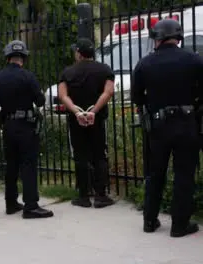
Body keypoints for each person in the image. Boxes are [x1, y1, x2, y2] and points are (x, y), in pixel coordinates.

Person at [131, 18, 203, 238]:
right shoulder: (194, 60)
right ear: (178, 37)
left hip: (158, 126)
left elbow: (136, 97)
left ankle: (150, 221)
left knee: (155, 173)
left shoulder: (144, 64)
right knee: (184, 175)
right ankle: (179, 225)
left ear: (158, 39)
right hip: (186, 123)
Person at [0, 40, 53, 219]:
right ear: (23, 58)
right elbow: (40, 101)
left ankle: (10, 203)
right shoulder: (28, 76)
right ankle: (31, 205)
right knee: (28, 164)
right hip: (25, 125)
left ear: (7, 58)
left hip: (8, 125)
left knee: (11, 165)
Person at [57, 38, 116, 209]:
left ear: (78, 53)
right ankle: (101, 195)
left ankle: (83, 195)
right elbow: (108, 92)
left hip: (76, 121)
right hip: (96, 119)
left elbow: (63, 95)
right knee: (99, 154)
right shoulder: (105, 69)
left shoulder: (68, 72)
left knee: (80, 155)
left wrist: (77, 112)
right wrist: (93, 111)